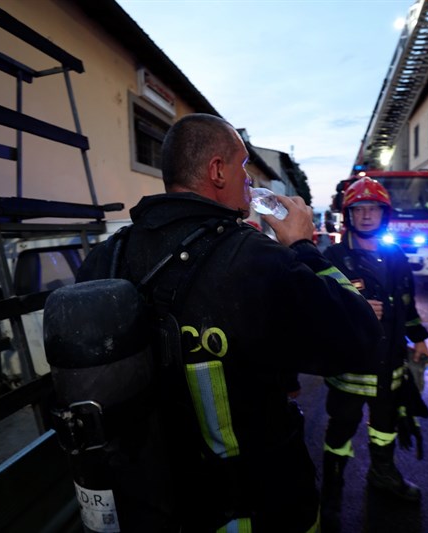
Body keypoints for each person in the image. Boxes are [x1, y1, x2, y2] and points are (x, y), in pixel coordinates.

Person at [75, 113, 385, 532]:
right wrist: (303, 247)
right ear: (217, 171)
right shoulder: (253, 259)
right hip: (256, 512)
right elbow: (361, 338)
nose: (249, 181)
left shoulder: (104, 258)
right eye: (242, 167)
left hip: (151, 509)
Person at [319, 176, 428, 528]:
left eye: (373, 209)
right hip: (351, 370)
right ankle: (332, 487)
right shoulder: (333, 257)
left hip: (390, 366)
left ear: (384, 214)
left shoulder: (396, 255)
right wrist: (355, 306)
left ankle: (382, 474)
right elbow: (316, 309)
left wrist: (420, 338)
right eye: (359, 209)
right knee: (340, 431)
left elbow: (406, 304)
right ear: (348, 215)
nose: (366, 216)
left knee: (385, 426)